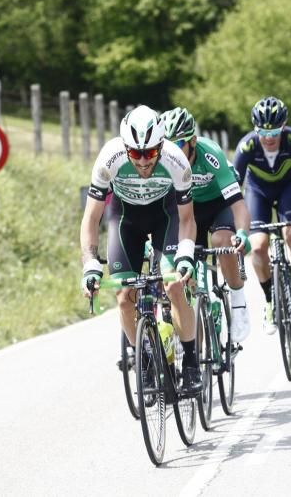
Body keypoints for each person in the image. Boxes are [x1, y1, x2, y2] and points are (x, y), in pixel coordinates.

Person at [79, 105, 203, 395]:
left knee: (174, 286)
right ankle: (144, 358)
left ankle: (191, 362)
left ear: (162, 145)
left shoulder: (176, 160)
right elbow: (91, 218)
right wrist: (90, 264)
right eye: (136, 153)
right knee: (124, 296)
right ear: (126, 148)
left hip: (166, 216)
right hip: (125, 218)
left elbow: (187, 219)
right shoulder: (109, 158)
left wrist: (185, 254)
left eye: (151, 152)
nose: (144, 161)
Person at [159, 107, 253, 342]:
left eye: (178, 145)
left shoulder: (209, 153)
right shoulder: (161, 162)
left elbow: (238, 204)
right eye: (167, 146)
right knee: (185, 272)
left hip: (218, 204)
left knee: (223, 241)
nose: (173, 152)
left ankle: (239, 305)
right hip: (188, 212)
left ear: (192, 140)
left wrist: (242, 233)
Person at [234, 96, 291, 334]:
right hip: (257, 192)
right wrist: (238, 227)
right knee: (259, 245)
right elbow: (233, 193)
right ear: (255, 129)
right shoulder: (247, 147)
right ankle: (270, 303)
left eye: (275, 131)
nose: (269, 137)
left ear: (284, 126)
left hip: (288, 189)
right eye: (263, 131)